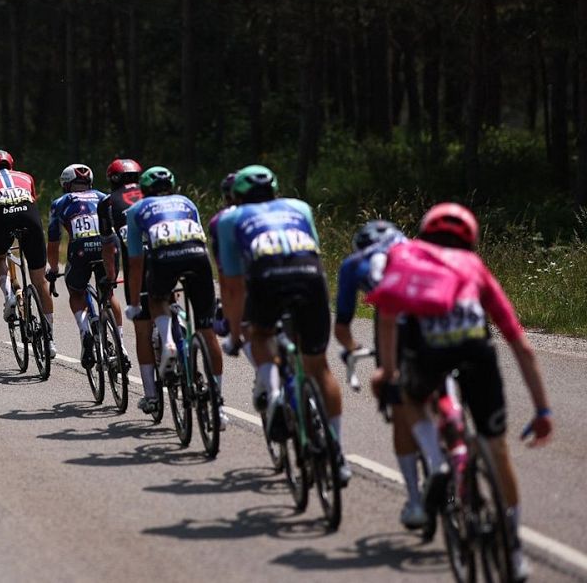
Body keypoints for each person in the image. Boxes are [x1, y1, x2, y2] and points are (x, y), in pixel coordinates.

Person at [369, 203, 553, 582]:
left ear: (422, 234)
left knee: (410, 396)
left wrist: (387, 373)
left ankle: (436, 462)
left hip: (427, 350)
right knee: (497, 449)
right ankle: (513, 552)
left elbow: (387, 317)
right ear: (471, 239)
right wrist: (542, 411)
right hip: (475, 351)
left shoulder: (403, 256)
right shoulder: (474, 267)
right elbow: (521, 345)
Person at [217, 165, 348, 481]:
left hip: (266, 280)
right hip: (310, 278)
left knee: (261, 336)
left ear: (236, 195)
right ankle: (337, 453)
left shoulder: (230, 219)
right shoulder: (299, 207)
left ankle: (274, 396)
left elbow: (233, 287)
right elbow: (314, 250)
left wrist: (235, 335)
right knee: (319, 367)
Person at [335, 219, 425, 528]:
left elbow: (342, 326)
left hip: (394, 322)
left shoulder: (354, 264)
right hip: (444, 314)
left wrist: (353, 348)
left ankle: (415, 501)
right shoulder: (416, 249)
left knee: (398, 401)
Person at [125, 166, 221, 424]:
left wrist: (135, 303)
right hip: (198, 258)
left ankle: (167, 342)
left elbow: (135, 263)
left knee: (158, 300)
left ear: (143, 191)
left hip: (163, 258)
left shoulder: (137, 210)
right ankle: (217, 404)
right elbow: (198, 236)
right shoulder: (187, 201)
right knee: (206, 329)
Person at [0, 150, 59, 352]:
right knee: (40, 280)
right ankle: (50, 339)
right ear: (11, 165)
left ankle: (9, 295)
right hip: (30, 218)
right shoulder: (26, 177)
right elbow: (31, 204)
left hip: (2, 218)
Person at [50, 163, 128, 372]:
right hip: (109, 246)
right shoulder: (105, 197)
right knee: (109, 292)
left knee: (76, 291)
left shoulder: (60, 202)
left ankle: (85, 333)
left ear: (66, 185)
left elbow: (54, 241)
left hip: (81, 249)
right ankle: (121, 345)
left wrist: (52, 269)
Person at [100, 158, 153, 407]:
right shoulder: (153, 193)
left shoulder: (108, 203)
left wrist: (110, 278)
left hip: (137, 263)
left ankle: (151, 395)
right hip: (169, 253)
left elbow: (109, 246)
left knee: (142, 328)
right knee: (168, 299)